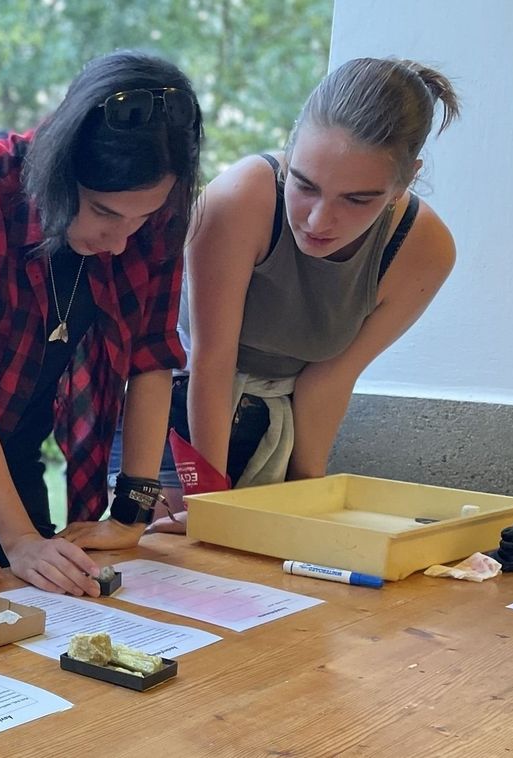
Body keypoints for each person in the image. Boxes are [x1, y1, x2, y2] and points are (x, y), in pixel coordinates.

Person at [0, 51, 203, 595]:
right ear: (60, 171)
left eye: (141, 221)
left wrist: (130, 514)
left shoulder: (162, 211)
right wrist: (19, 540)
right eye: (104, 213)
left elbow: (152, 356)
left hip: (21, 457)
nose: (120, 243)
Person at [161, 57, 457, 528]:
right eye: (304, 185)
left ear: (407, 180)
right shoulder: (238, 199)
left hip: (279, 421)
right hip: (178, 403)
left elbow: (328, 380)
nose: (318, 221)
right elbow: (211, 361)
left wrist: (309, 503)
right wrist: (208, 503)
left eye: (358, 199)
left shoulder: (424, 250)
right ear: (291, 145)